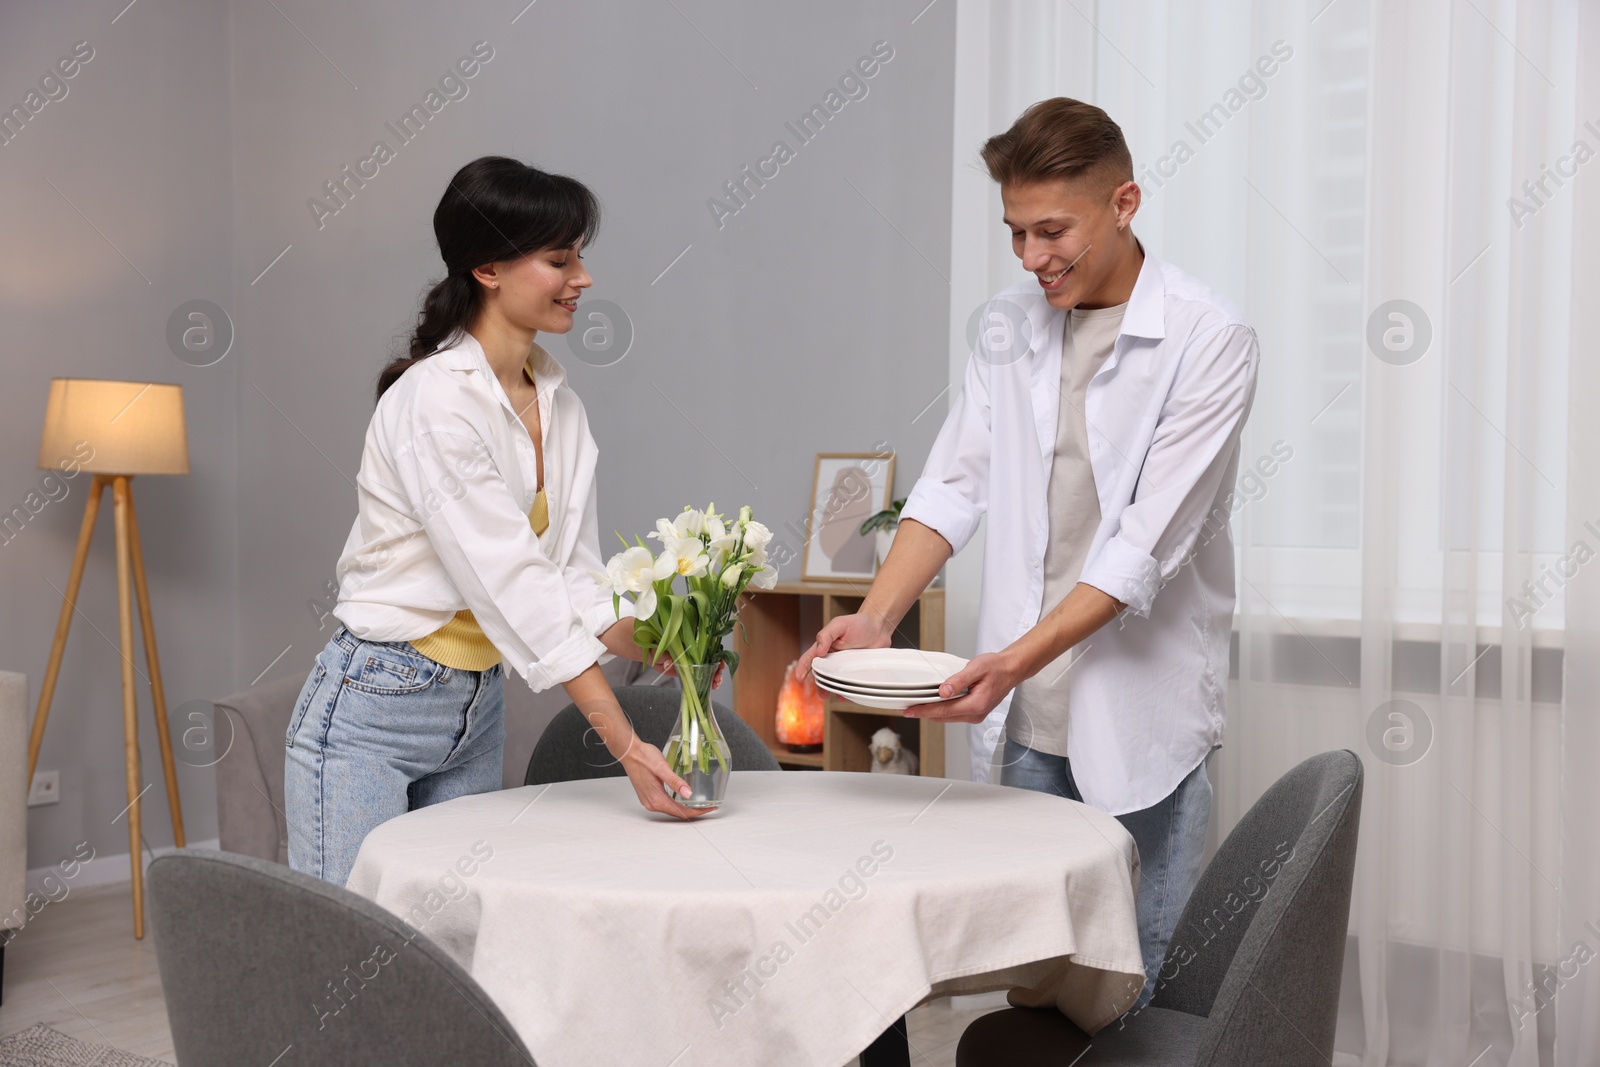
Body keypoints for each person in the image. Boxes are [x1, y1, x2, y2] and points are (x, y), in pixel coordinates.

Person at [798, 98, 1260, 1007]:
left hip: (1137, 717)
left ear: (1125, 203)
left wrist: (1009, 662)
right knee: (1036, 983)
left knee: (1133, 986)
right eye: (1015, 233)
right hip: (1019, 712)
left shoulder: (1210, 338)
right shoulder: (1010, 323)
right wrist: (878, 617)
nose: (1031, 258)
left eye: (1053, 232)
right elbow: (952, 485)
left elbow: (1141, 553)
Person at [286, 156, 703, 886]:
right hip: (375, 708)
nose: (583, 278)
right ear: (488, 269)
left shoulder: (560, 403)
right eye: (558, 259)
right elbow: (515, 586)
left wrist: (667, 644)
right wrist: (628, 745)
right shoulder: (434, 403)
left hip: (476, 707)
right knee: (351, 948)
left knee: (451, 940)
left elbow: (570, 575)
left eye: (581, 257)